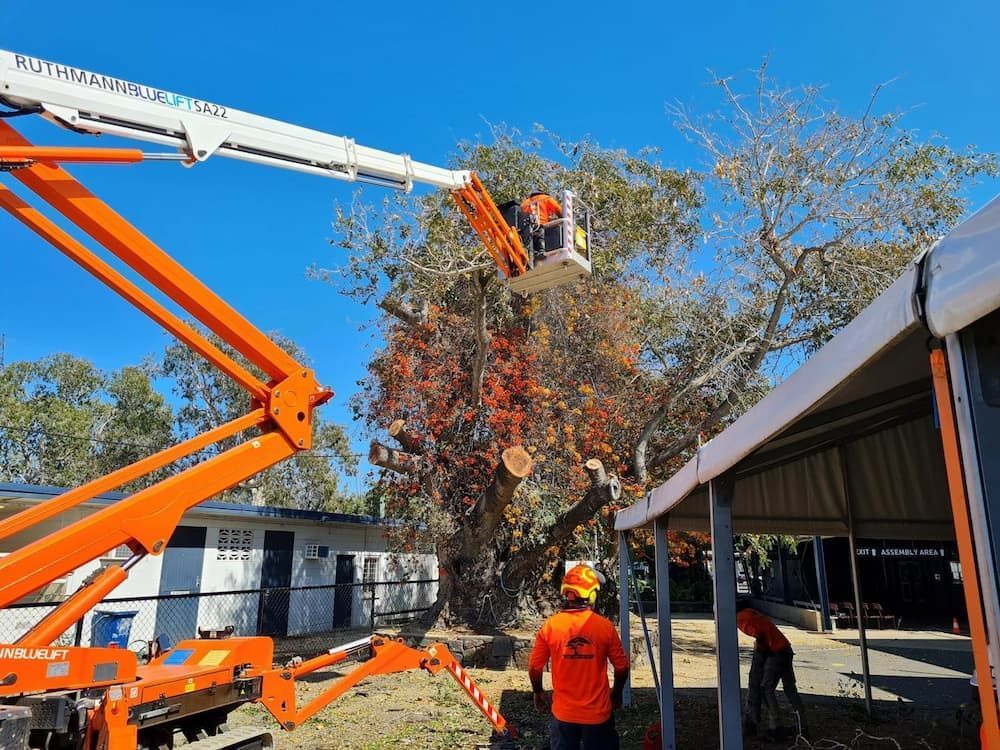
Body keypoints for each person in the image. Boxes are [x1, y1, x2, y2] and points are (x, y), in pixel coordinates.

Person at [529, 564, 629, 750]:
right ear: (591, 595)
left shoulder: (550, 626)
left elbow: (535, 667)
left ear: (566, 594)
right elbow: (622, 667)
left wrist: (538, 692)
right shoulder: (605, 627)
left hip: (563, 715)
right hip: (598, 715)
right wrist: (616, 694)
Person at [737, 607, 809, 740]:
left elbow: (759, 634)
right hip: (785, 649)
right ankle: (802, 726)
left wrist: (761, 651)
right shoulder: (749, 612)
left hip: (776, 652)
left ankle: (775, 727)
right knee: (790, 689)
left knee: (766, 689)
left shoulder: (741, 619)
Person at [520, 191, 562, 259]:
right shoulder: (545, 198)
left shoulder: (525, 203)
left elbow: (521, 214)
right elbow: (557, 209)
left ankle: (531, 256)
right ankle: (541, 251)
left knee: (531, 247)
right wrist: (563, 218)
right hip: (540, 225)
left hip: (527, 229)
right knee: (541, 240)